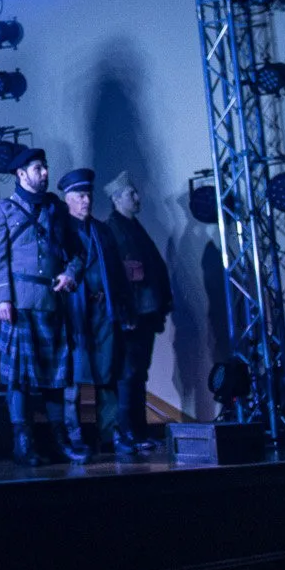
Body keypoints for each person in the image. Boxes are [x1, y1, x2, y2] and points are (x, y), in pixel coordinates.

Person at [0, 149, 79, 465]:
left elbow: (76, 253)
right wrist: (2, 298)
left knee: (55, 378)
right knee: (19, 379)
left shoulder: (56, 208)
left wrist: (70, 273)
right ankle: (22, 442)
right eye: (38, 168)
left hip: (51, 303)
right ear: (21, 173)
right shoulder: (3, 209)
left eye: (45, 167)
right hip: (20, 303)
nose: (45, 172)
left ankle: (59, 440)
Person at [56, 167, 135, 458]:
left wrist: (125, 308)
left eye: (88, 194)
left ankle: (110, 433)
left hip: (103, 311)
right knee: (73, 380)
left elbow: (116, 273)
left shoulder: (101, 230)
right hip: (74, 313)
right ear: (67, 198)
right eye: (80, 195)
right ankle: (74, 435)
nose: (86, 200)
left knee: (107, 375)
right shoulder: (60, 231)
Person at [102, 170, 172, 453]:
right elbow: (117, 277)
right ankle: (127, 431)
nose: (137, 197)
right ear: (117, 198)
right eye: (131, 193)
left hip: (145, 313)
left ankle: (139, 431)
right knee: (128, 374)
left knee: (139, 374)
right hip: (131, 315)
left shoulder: (132, 227)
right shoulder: (114, 230)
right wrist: (125, 312)